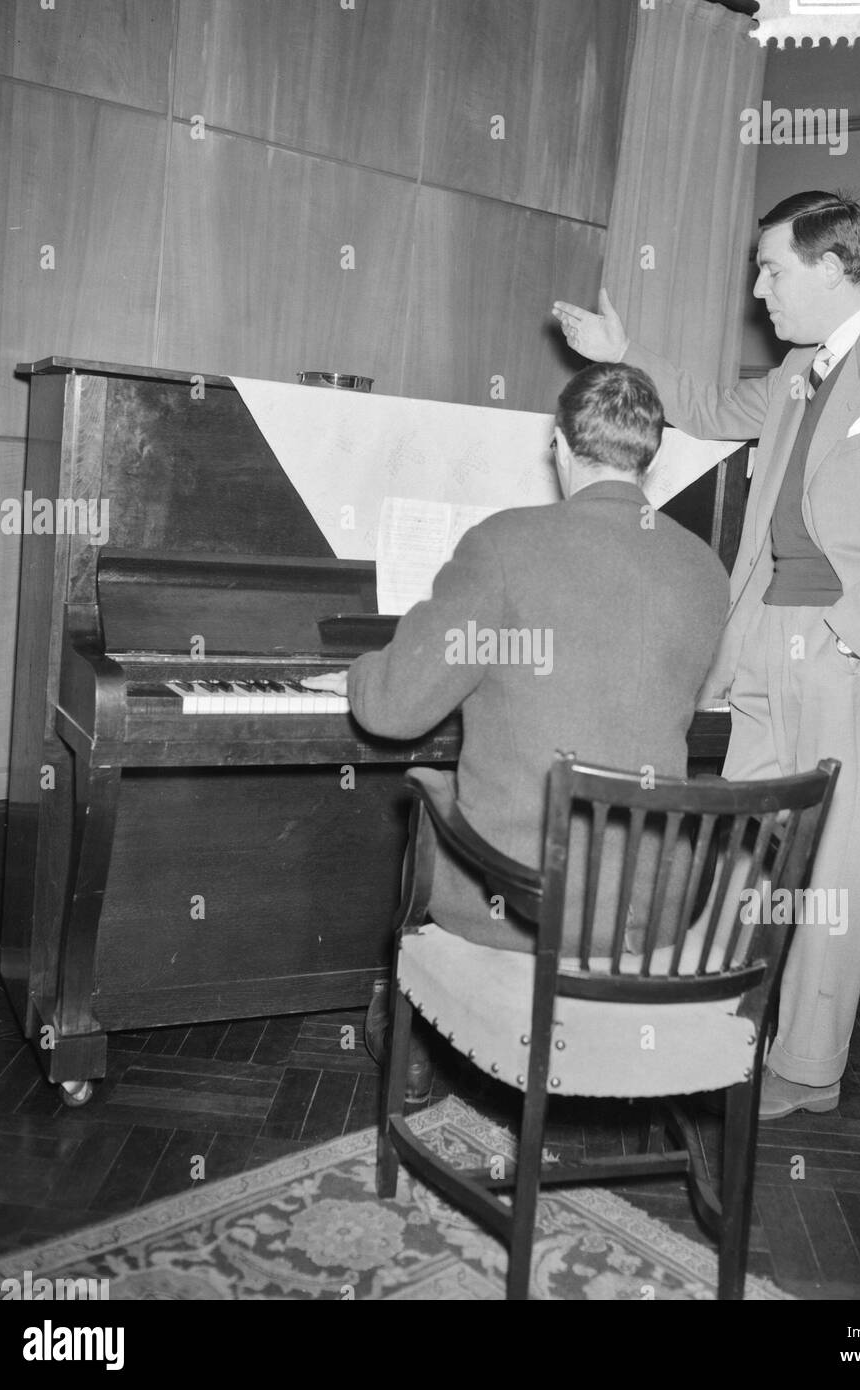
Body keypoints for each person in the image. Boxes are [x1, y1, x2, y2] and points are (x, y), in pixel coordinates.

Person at [554, 190, 860, 1120]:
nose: (759, 290)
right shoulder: (800, 368)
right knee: (747, 845)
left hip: (853, 649)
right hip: (766, 640)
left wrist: (840, 638)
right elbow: (708, 405)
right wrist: (622, 355)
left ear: (835, 265)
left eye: (774, 269)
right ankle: (716, 1027)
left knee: (826, 872)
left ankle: (808, 1068)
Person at [306, 362, 729, 1090]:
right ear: (649, 454)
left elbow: (393, 710)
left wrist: (355, 672)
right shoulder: (704, 567)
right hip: (651, 915)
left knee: (429, 811)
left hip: (522, 907)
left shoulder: (504, 544)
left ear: (562, 447)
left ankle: (410, 1030)